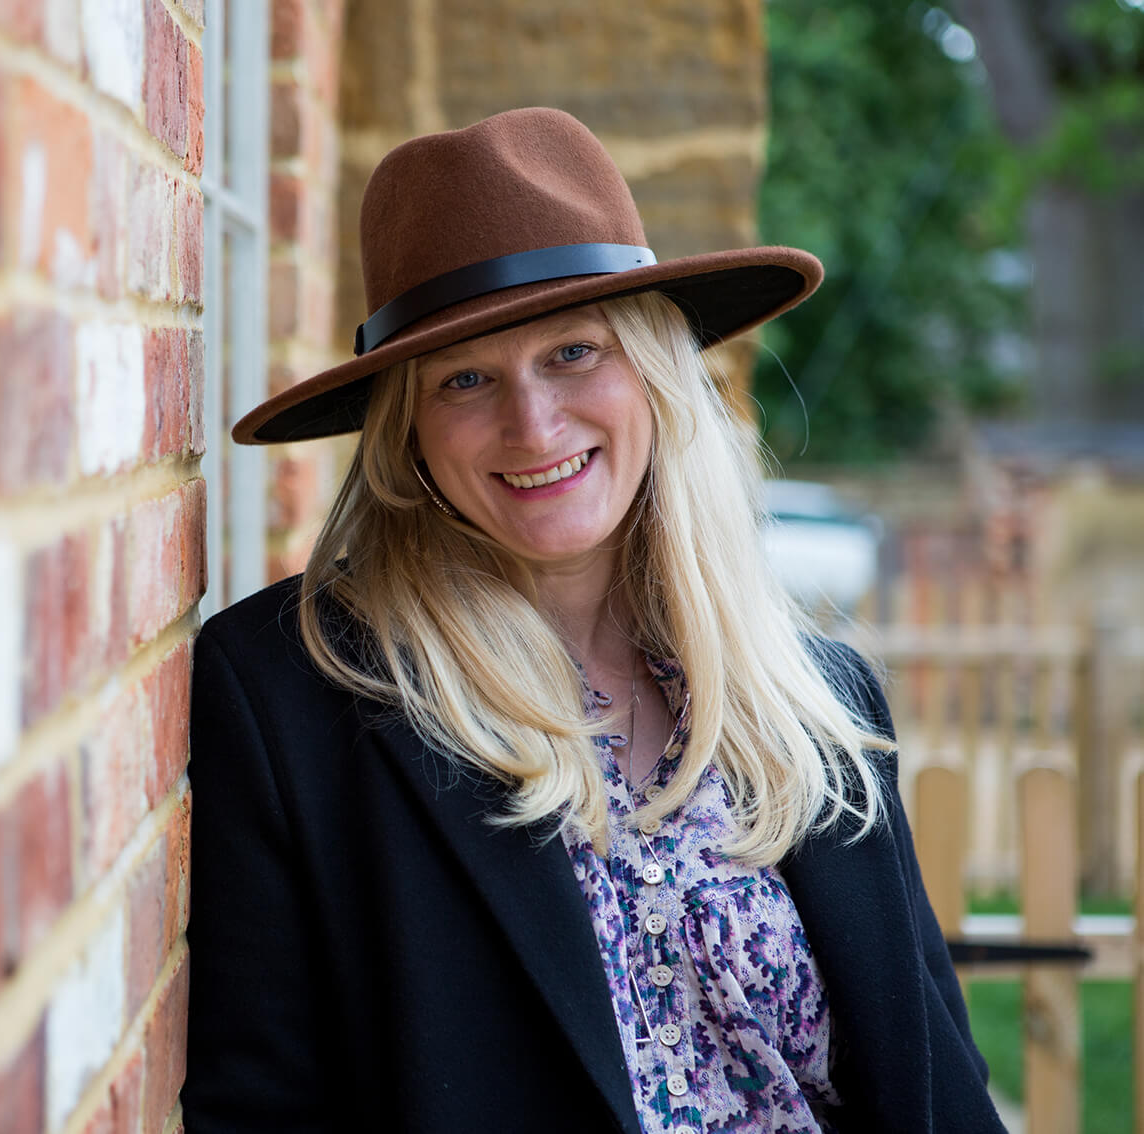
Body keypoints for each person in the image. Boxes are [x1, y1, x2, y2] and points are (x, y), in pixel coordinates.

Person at [180, 108, 1003, 1134]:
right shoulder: (292, 699)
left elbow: (940, 1090)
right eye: (465, 379)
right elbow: (257, 1111)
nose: (532, 424)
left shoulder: (814, 701)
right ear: (407, 434)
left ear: (653, 377)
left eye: (573, 353)